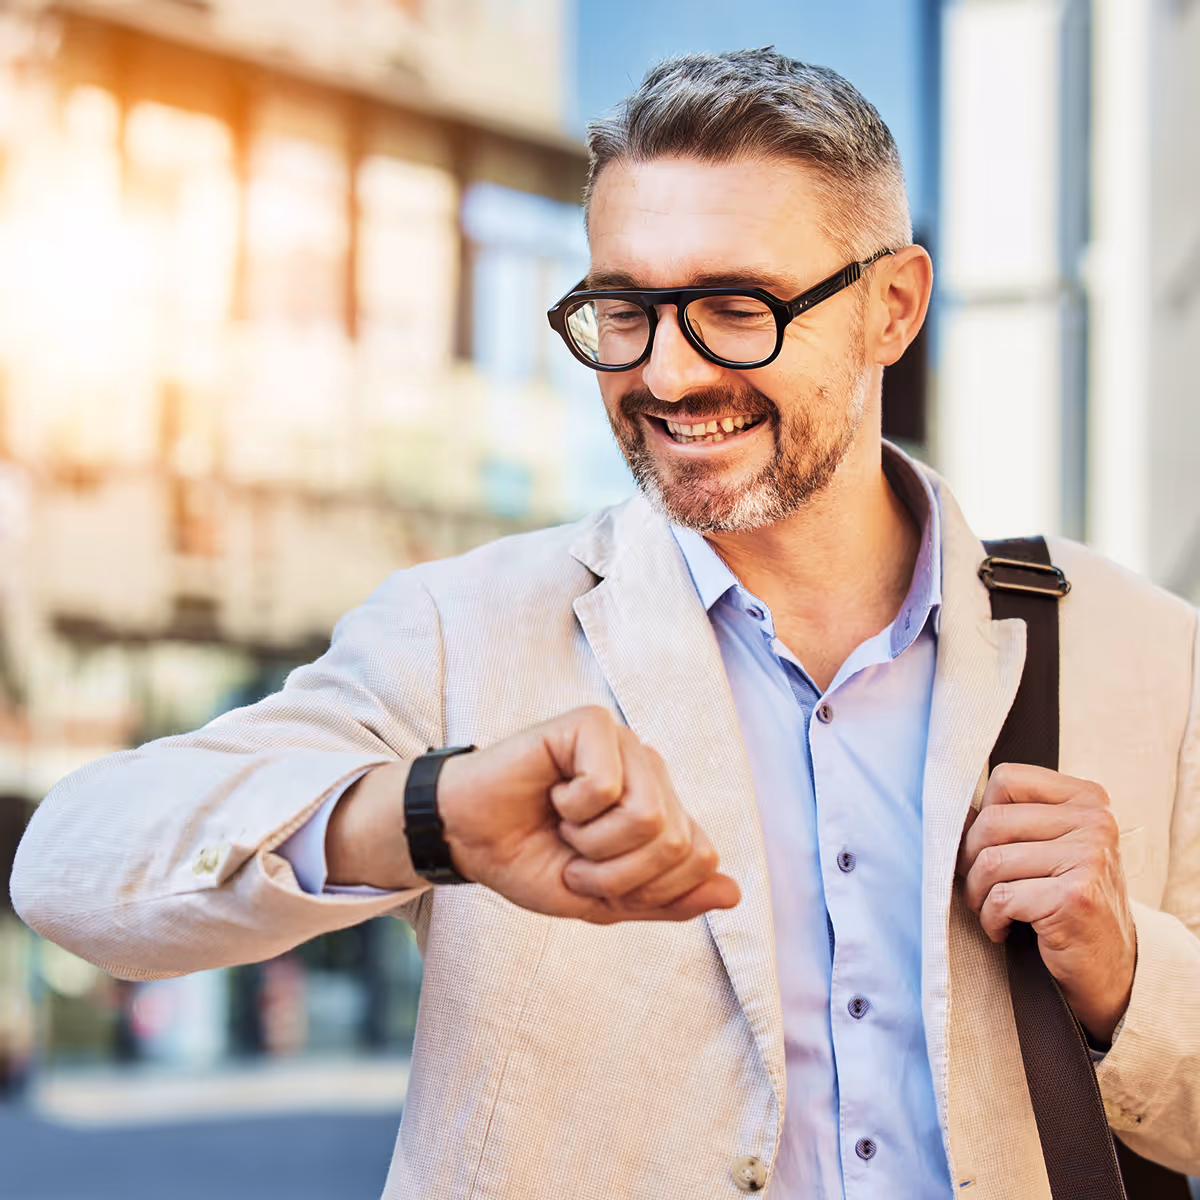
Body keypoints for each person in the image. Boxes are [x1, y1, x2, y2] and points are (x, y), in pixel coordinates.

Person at [10, 49, 1200, 1199]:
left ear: (893, 306)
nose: (666, 375)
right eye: (623, 309)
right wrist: (425, 818)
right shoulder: (461, 629)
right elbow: (73, 870)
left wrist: (1130, 978)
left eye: (736, 309)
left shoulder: (1140, 653)